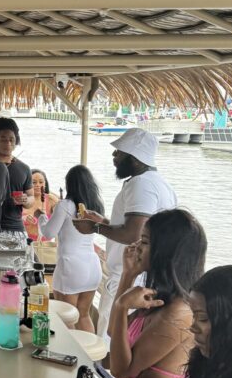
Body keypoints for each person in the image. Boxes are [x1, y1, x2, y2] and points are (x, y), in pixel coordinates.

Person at [74, 127, 178, 338]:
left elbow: (134, 233)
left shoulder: (141, 184)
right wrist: (103, 221)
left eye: (119, 152)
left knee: (108, 340)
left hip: (128, 278)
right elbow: (140, 227)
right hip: (144, 277)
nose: (114, 155)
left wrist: (94, 228)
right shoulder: (160, 184)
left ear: (136, 159)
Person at [108, 209, 206, 378]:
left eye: (144, 241)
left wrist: (121, 306)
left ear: (165, 252)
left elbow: (121, 370)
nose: (136, 247)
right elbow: (113, 331)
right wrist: (128, 275)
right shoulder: (160, 298)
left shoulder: (179, 312)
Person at [36, 165, 103, 332]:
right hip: (92, 265)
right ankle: (89, 357)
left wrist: (41, 217)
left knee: (66, 317)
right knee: (84, 315)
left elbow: (49, 233)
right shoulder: (96, 205)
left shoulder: (66, 205)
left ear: (69, 185)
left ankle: (71, 355)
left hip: (71, 266)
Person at [0, 117, 33, 237]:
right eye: (3, 139)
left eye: (11, 140)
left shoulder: (24, 168)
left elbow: (31, 197)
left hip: (16, 229)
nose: (8, 144)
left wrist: (26, 200)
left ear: (16, 141)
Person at [23, 169, 60, 240]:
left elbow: (64, 215)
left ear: (45, 183)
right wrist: (23, 218)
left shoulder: (51, 199)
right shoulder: (22, 199)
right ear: (27, 183)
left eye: (41, 182)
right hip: (25, 242)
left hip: (45, 246)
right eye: (34, 182)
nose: (38, 185)